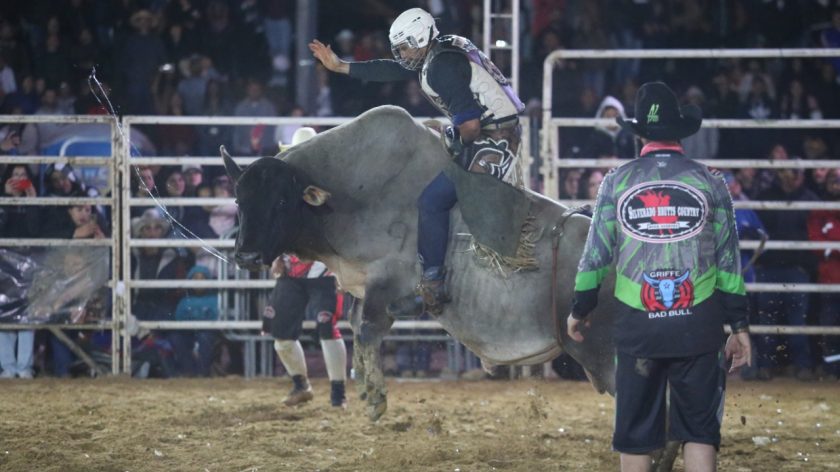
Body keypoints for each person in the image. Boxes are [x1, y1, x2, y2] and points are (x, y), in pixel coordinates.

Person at [566, 82, 752, 472]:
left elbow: (595, 256)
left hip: (639, 325)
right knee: (700, 434)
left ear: (640, 136)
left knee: (635, 438)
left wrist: (580, 308)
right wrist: (739, 324)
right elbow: (728, 263)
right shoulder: (711, 183)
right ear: (680, 132)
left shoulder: (616, 182)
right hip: (697, 324)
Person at [310, 7, 525, 315]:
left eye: (405, 45)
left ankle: (434, 284)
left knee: (433, 201)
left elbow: (471, 125)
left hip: (495, 136)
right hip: (494, 129)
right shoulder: (439, 51)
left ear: (421, 37)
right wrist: (342, 66)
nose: (402, 53)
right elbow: (394, 69)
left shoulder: (441, 67)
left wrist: (453, 136)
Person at [263, 254, 348, 408]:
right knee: (281, 334)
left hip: (326, 270)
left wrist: (343, 268)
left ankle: (338, 394)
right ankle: (301, 386)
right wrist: (276, 257)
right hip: (291, 272)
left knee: (327, 327)